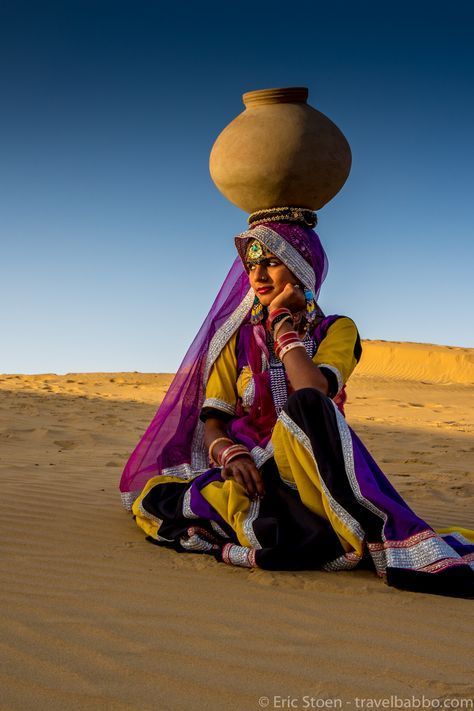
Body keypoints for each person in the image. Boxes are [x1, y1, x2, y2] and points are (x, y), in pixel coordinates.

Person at [120, 212, 474, 597]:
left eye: (271, 263)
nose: (258, 276)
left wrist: (281, 325)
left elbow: (313, 390)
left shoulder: (336, 330)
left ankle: (381, 538)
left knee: (306, 406)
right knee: (162, 498)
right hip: (254, 469)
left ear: (303, 269)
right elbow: (214, 422)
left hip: (313, 467)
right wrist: (231, 456)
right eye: (252, 265)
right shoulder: (236, 341)